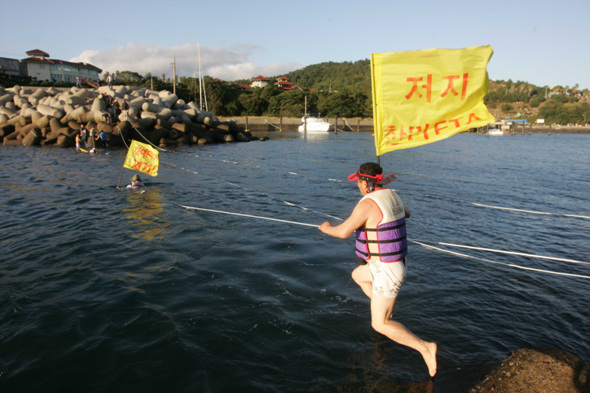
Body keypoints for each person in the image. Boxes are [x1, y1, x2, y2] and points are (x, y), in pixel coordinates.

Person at [319, 162, 437, 377]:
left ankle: (425, 347)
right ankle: (385, 307)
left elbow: (343, 232)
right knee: (357, 275)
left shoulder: (366, 204)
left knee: (379, 324)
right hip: (391, 264)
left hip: (387, 270)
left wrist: (326, 228)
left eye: (358, 182)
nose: (358, 186)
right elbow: (406, 213)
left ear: (365, 183)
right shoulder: (393, 195)